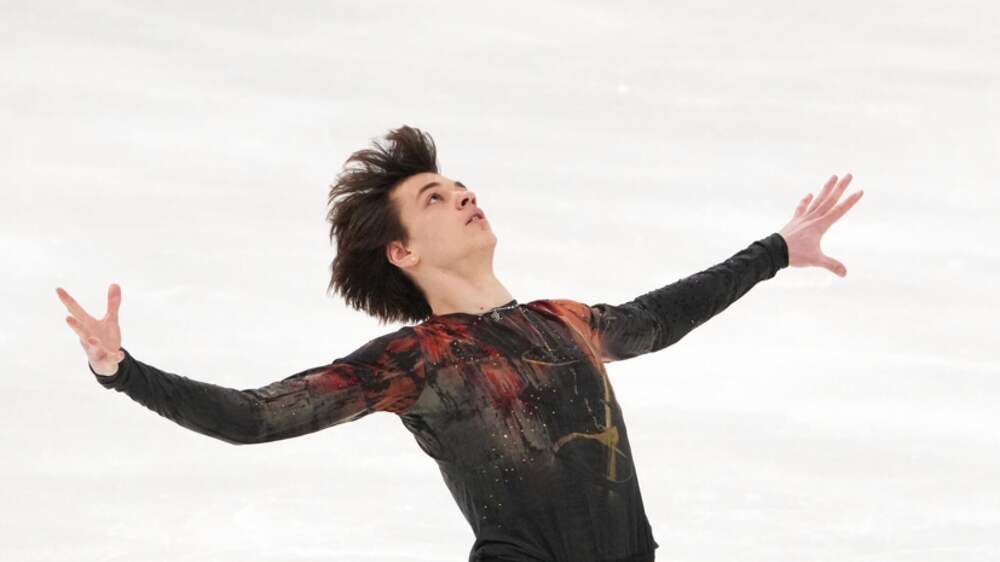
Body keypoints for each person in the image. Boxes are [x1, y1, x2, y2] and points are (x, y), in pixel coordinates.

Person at [57, 125, 864, 562]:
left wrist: (776, 251)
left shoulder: (563, 319)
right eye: (435, 199)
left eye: (460, 187)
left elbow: (663, 315)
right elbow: (254, 416)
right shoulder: (418, 360)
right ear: (402, 253)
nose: (464, 196)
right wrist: (122, 371)